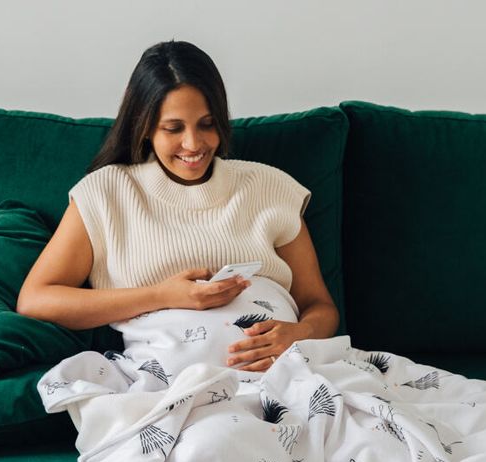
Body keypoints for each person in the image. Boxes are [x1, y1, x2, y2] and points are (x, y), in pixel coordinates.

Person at [17, 40, 338, 371]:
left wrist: (299, 335)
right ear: (144, 127)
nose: (193, 144)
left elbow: (320, 305)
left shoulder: (270, 187)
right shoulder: (105, 193)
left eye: (207, 124)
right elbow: (36, 299)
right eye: (173, 128)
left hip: (288, 373)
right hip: (171, 384)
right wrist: (163, 296)